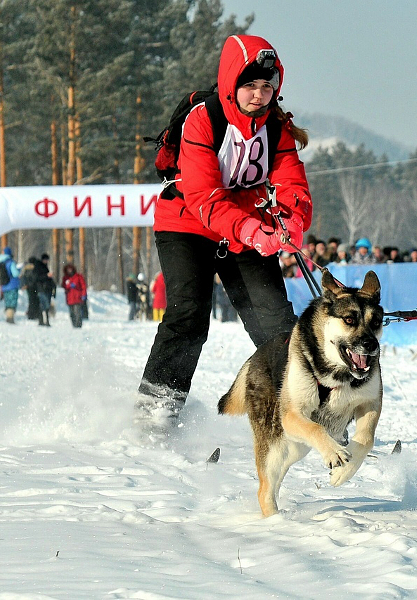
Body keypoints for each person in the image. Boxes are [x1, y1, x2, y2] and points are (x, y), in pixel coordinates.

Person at [136, 34, 311, 430]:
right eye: (250, 85)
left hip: (244, 231)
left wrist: (291, 223)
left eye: (268, 86)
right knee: (188, 316)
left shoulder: (277, 129)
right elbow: (204, 196)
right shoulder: (204, 119)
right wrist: (254, 230)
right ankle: (154, 417)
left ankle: (311, 414)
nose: (259, 94)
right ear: (232, 82)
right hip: (186, 223)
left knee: (277, 326)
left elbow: (292, 187)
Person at [0, 247, 21, 324]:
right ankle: (10, 318)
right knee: (12, 302)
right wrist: (19, 271)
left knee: (7, 302)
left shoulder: (0, 262)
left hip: (4, 286)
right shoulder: (11, 262)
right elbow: (15, 274)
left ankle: (8, 316)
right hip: (12, 285)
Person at [61, 263, 87, 328]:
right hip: (69, 298)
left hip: (78, 298)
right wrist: (69, 285)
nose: (69, 271)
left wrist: (84, 294)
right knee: (72, 313)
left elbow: (83, 286)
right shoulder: (65, 278)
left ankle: (78, 325)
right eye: (68, 269)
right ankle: (74, 325)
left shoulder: (78, 276)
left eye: (70, 269)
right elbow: (63, 285)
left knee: (77, 312)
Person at [36, 253, 56, 327]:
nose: (46, 261)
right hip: (42, 289)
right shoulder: (39, 267)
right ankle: (42, 320)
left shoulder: (45, 267)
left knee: (46, 305)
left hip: (47, 289)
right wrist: (47, 276)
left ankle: (45, 320)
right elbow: (38, 278)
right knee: (44, 305)